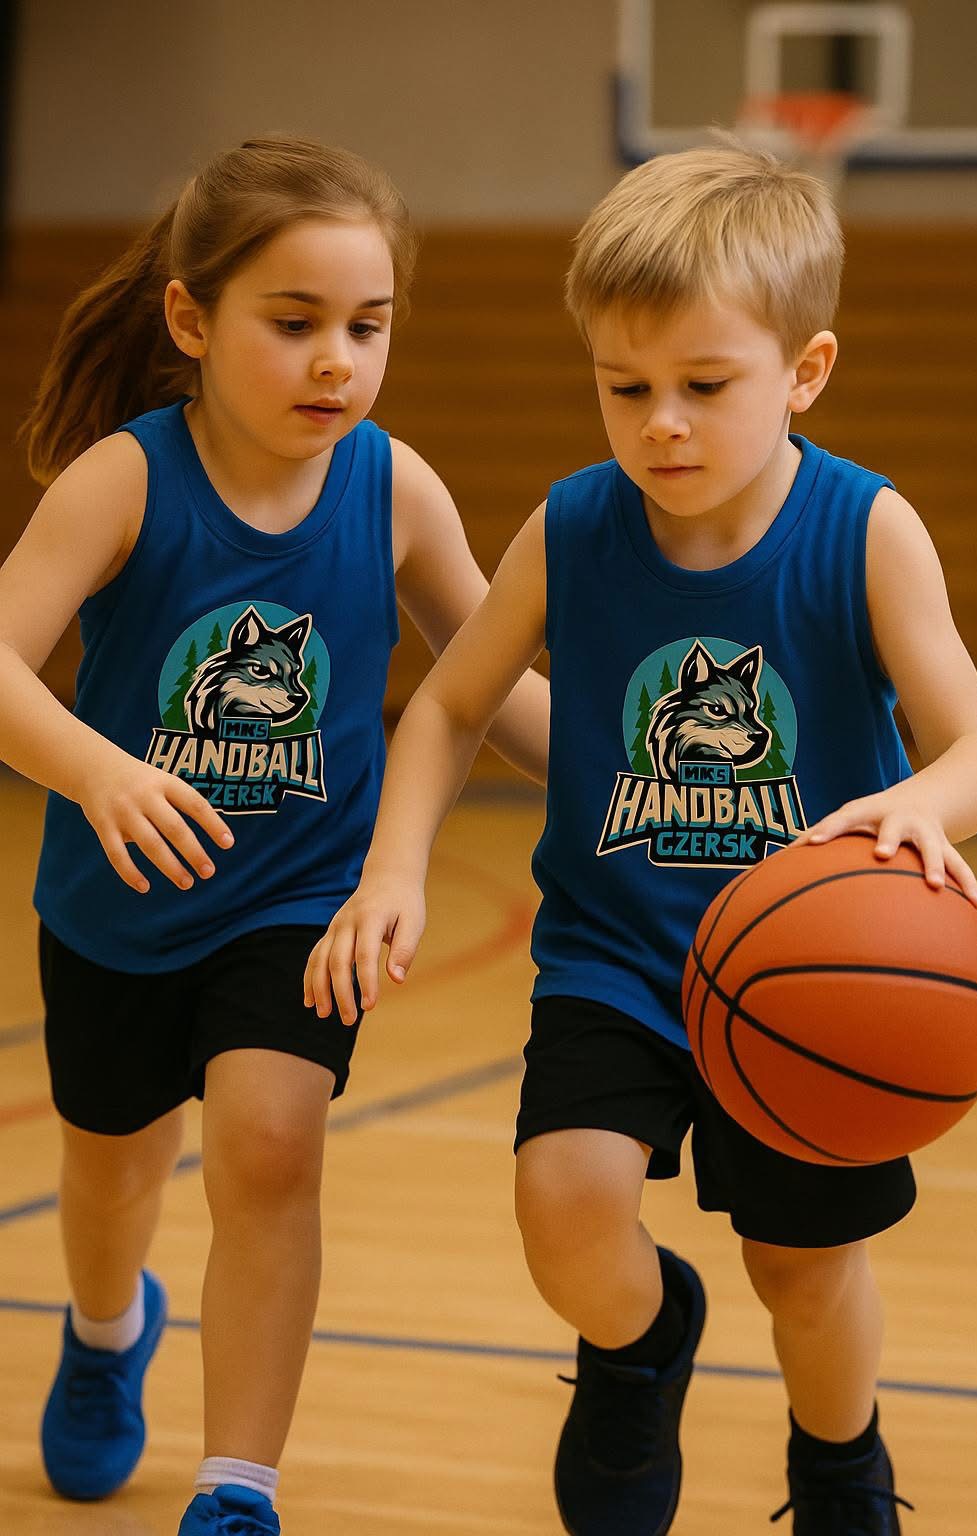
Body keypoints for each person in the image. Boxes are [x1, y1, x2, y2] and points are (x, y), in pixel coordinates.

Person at [305, 143, 977, 1535]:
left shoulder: (866, 530)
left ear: (805, 370)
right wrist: (389, 871)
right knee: (564, 1208)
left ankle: (840, 1463)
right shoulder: (576, 524)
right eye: (624, 389)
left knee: (804, 1272)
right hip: (616, 955)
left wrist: (917, 806)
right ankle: (637, 1341)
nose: (659, 425)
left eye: (704, 386)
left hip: (818, 971)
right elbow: (449, 701)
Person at [0, 136, 548, 1536]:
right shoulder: (126, 483)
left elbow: (484, 683)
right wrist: (95, 771)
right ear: (192, 319)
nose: (336, 362)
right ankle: (108, 1325)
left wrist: (636, 792)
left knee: (268, 1144)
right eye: (294, 324)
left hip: (299, 904)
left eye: (365, 329)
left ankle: (236, 1483)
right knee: (110, 1170)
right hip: (120, 906)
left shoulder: (394, 488)